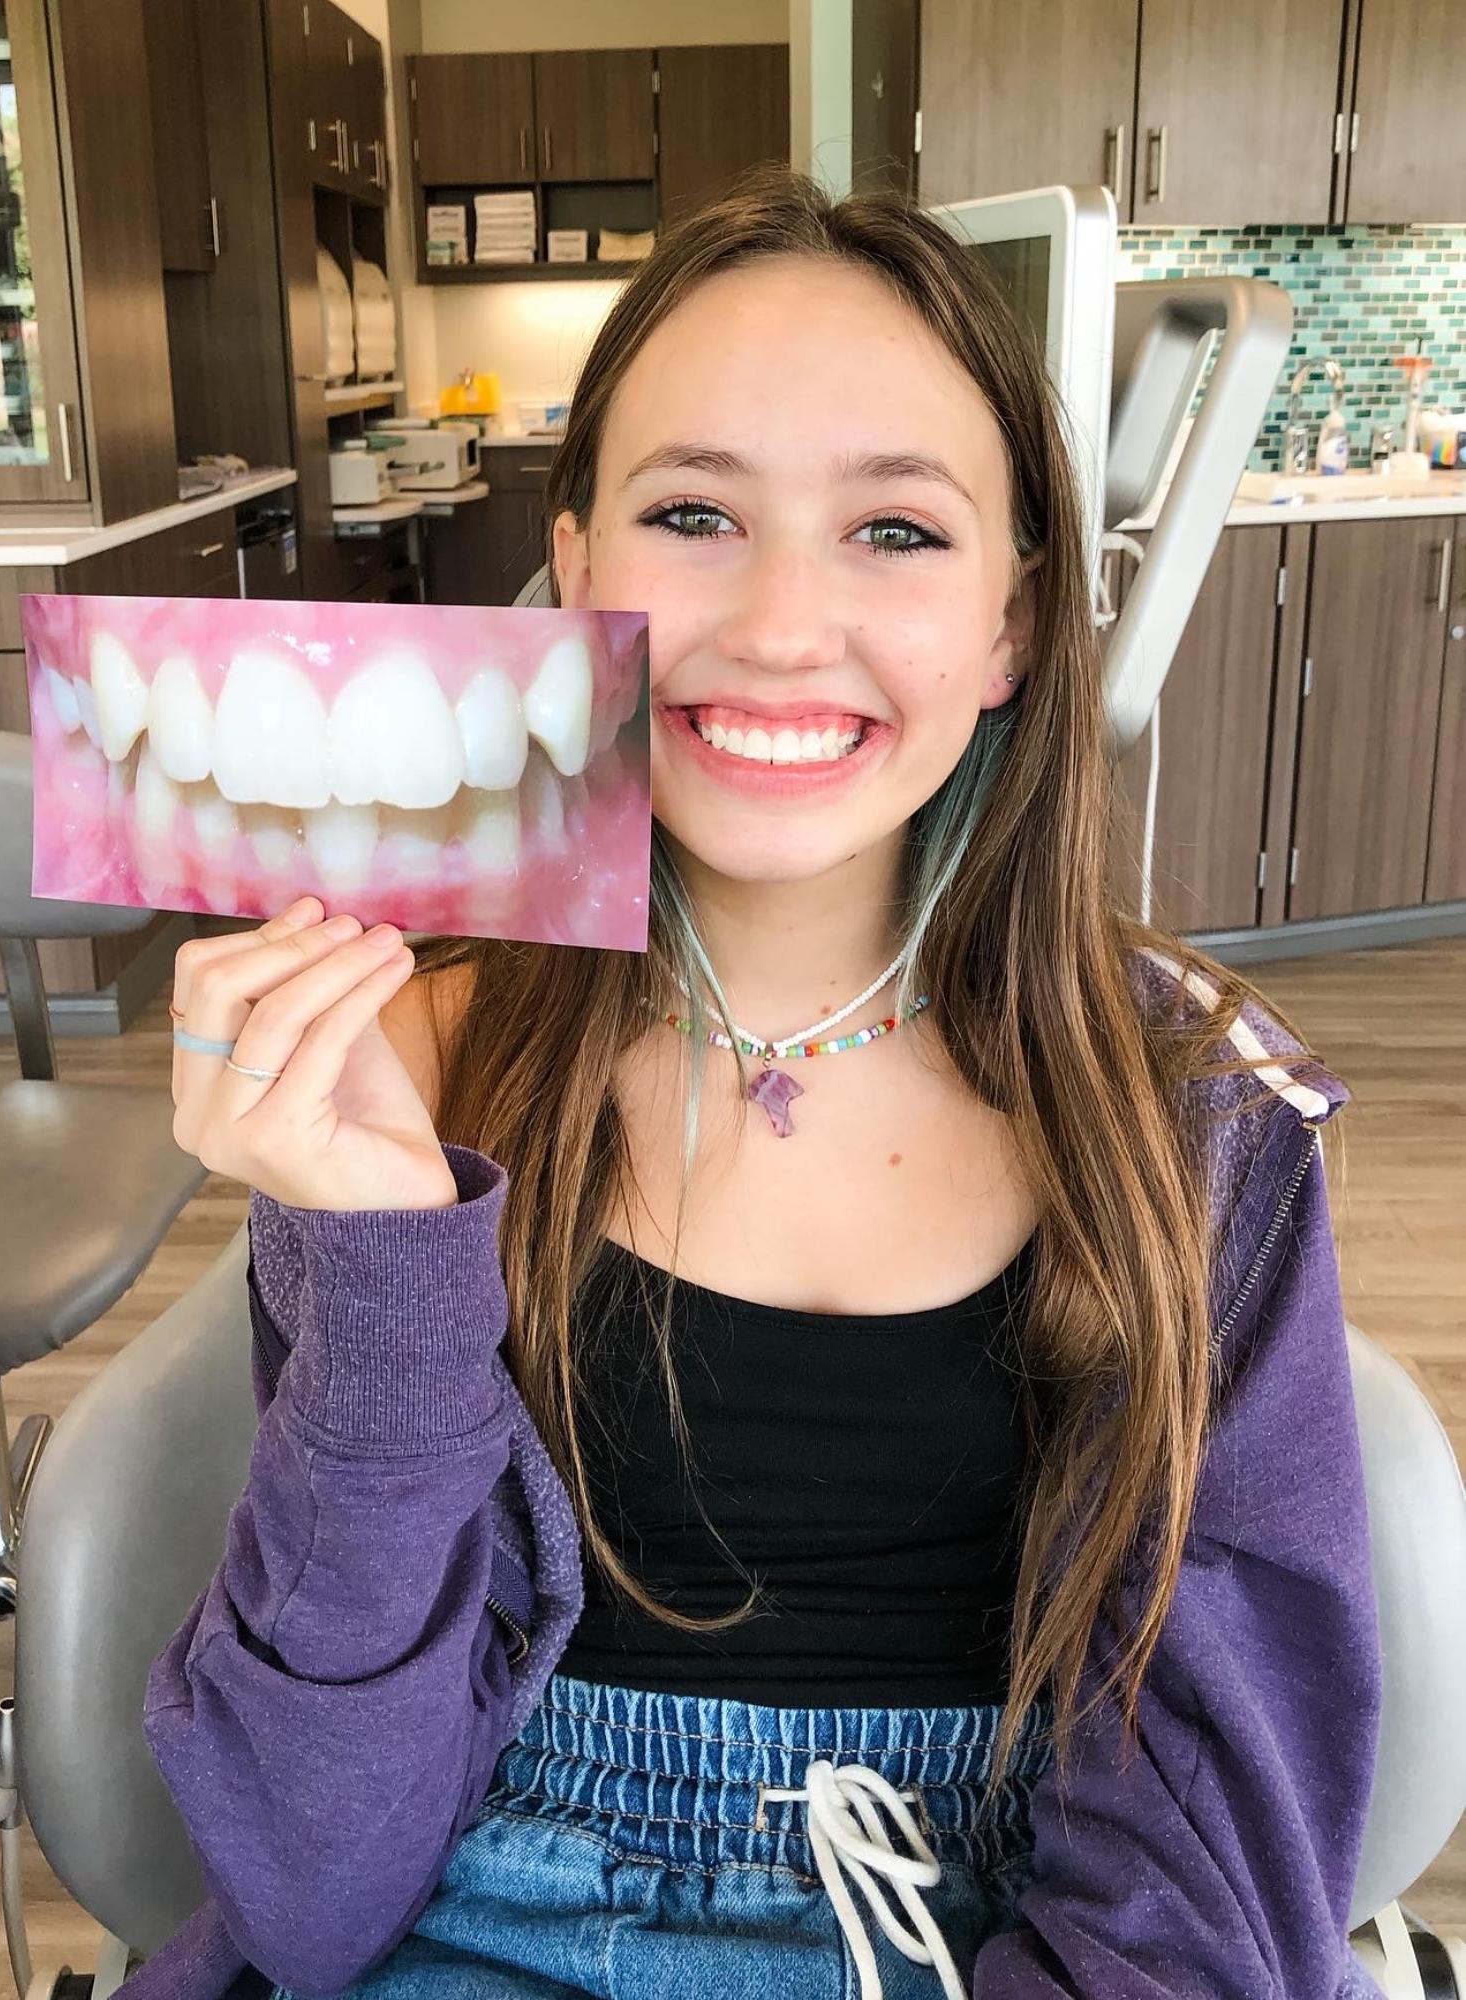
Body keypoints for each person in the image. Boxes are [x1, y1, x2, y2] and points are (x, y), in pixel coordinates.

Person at [121, 167, 1381, 2000]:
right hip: (467, 1919)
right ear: (571, 571)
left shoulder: (1197, 1121)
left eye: (897, 533)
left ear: (1020, 621)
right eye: (694, 512)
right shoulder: (398, 1062)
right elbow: (310, 1886)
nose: (786, 625)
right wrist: (382, 1269)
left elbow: (1214, 1882)